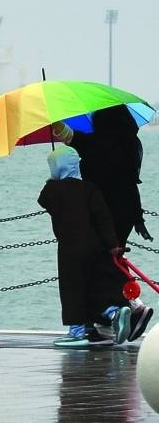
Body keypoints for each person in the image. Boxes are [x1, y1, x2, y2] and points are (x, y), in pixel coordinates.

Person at [53, 106, 153, 341]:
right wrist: (138, 218)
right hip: (127, 211)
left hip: (103, 213)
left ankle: (129, 308)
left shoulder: (95, 142)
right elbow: (131, 184)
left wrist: (55, 121)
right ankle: (114, 315)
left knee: (99, 263)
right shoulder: (129, 143)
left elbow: (68, 135)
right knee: (114, 260)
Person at [37, 145, 131, 348]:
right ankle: (113, 311)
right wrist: (113, 245)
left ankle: (77, 332)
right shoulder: (90, 188)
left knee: (73, 288)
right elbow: (103, 218)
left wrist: (53, 180)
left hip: (70, 248)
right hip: (94, 246)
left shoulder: (53, 190)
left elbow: (42, 200)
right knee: (94, 285)